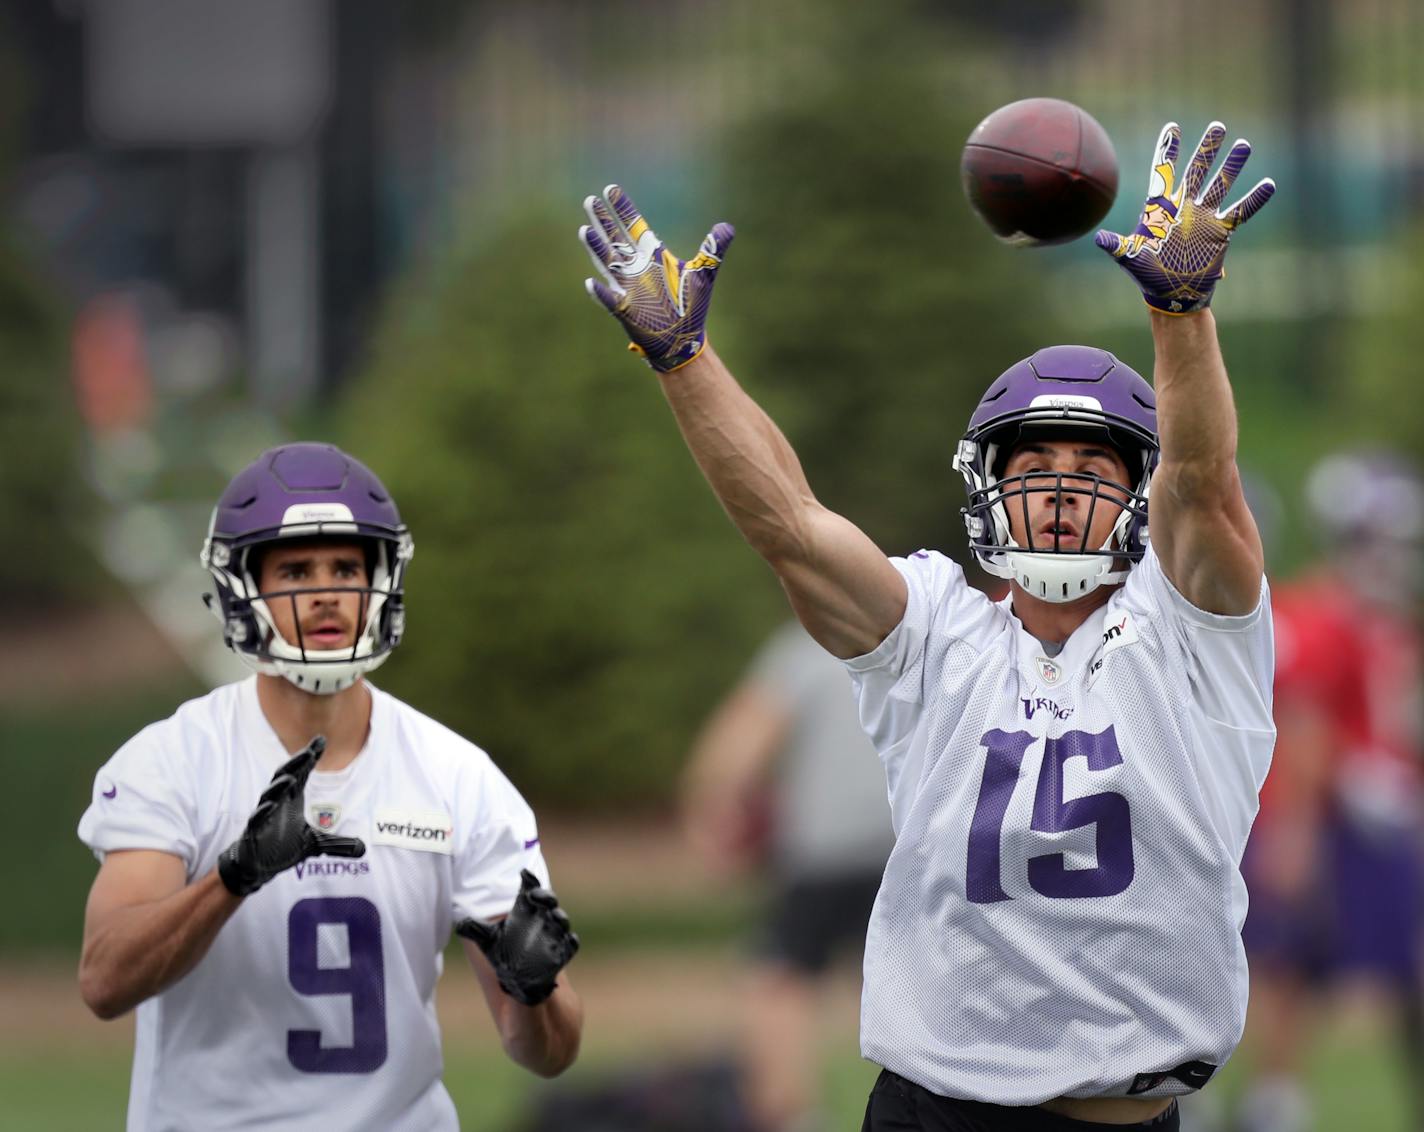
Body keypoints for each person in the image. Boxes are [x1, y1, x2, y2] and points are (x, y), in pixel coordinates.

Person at [579, 118, 1277, 1131]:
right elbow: (789, 527)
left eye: (1090, 471)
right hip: (933, 1108)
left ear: (1138, 496)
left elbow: (1205, 483)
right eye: (1031, 466)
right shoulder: (938, 631)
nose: (1056, 491)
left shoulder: (1194, 642)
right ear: (986, 489)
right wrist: (683, 361)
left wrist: (1179, 309)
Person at [76, 442, 583, 1131]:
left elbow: (545, 1054)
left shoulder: (458, 777)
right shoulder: (173, 760)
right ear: (242, 590)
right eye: (295, 571)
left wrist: (536, 992)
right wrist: (234, 876)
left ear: (381, 580)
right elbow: (104, 981)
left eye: (346, 566)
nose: (324, 591)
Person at [1235, 452, 1424, 1132]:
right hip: (1330, 817)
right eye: (1376, 539)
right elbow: (1307, 720)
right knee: (1288, 966)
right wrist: (1297, 827)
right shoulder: (1317, 612)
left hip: (1386, 818)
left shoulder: (1389, 620)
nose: (1391, 556)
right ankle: (1267, 1104)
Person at [681, 619, 896, 1131]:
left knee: (780, 979)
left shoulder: (805, 648)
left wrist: (710, 812)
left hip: (827, 848)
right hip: (909, 846)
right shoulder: (926, 639)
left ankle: (791, 1118)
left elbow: (739, 739)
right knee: (924, 989)